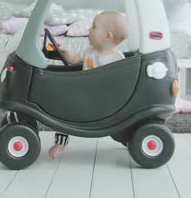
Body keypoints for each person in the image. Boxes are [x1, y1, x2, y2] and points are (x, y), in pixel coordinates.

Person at [48, 11, 130, 159]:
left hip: (101, 104)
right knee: (64, 107)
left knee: (66, 111)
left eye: (94, 27)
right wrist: (66, 51)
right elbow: (74, 60)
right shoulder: (90, 51)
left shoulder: (117, 60)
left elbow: (120, 86)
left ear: (107, 36)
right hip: (86, 97)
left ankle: (61, 144)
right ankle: (60, 142)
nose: (88, 30)